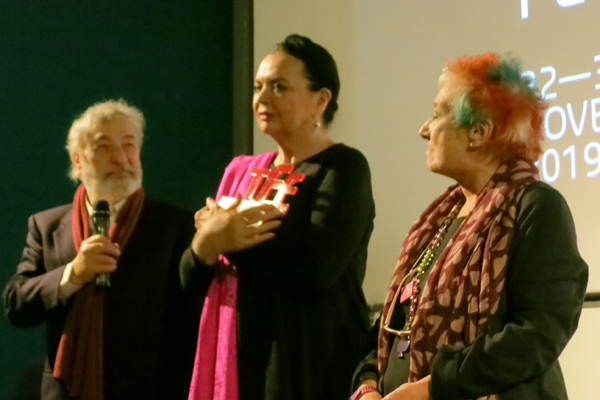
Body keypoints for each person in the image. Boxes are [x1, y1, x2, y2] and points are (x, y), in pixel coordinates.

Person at [351, 53, 588, 400]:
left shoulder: (536, 206)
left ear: (478, 132)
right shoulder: (440, 218)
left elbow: (538, 334)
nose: (424, 130)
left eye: (437, 114)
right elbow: (395, 326)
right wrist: (368, 384)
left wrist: (432, 388)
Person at [182, 34, 375, 400]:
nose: (262, 98)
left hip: (310, 365)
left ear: (320, 100)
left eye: (279, 86)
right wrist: (204, 244)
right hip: (242, 361)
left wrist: (227, 239)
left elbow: (313, 270)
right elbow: (190, 280)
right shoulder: (241, 171)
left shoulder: (343, 168)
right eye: (258, 87)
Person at [3, 100, 199, 400]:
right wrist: (73, 273)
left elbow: (193, 316)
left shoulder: (176, 226)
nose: (121, 159)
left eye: (129, 145)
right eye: (104, 146)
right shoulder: (46, 226)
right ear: (78, 161)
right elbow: (16, 305)